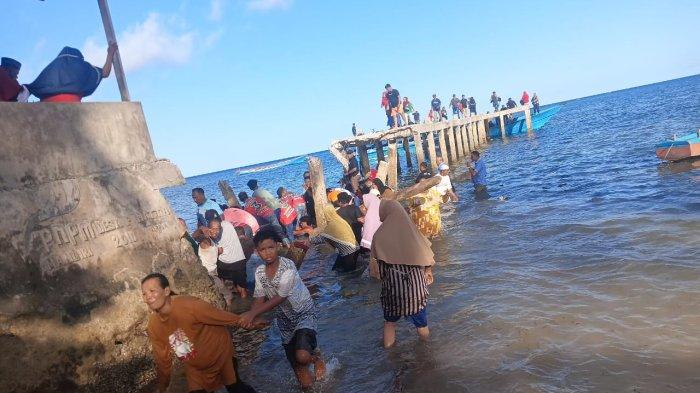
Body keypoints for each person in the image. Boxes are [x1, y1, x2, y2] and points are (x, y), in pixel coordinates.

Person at [141, 273, 264, 393]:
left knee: (234, 387)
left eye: (152, 291)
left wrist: (246, 321)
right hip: (196, 366)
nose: (148, 296)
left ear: (166, 291)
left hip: (221, 353)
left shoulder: (189, 305)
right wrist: (163, 385)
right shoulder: (154, 326)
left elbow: (218, 316)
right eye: (144, 293)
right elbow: (163, 360)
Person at [239, 229, 325, 390]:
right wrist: (252, 319)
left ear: (277, 246)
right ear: (257, 252)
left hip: (303, 313)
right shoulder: (259, 272)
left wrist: (251, 314)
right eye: (262, 250)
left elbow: (281, 296)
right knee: (305, 383)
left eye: (270, 247)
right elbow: (258, 298)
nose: (267, 253)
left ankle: (316, 358)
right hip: (284, 321)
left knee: (302, 355)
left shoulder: (288, 266)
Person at [369, 200, 435, 348]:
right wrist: (428, 271)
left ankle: (390, 354)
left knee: (390, 323)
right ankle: (427, 352)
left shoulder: (379, 236)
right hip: (416, 290)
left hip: (393, 290)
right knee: (421, 324)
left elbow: (376, 271)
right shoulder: (412, 231)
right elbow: (427, 255)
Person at [26, 44, 117, 102]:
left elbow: (31, 87)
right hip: (73, 109)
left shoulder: (49, 70)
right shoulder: (82, 67)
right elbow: (105, 73)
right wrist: (110, 53)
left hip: (47, 111)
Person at [309, 205, 361, 271]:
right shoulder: (339, 220)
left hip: (348, 251)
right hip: (355, 248)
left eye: (324, 214)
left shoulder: (331, 225)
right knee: (337, 268)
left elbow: (320, 239)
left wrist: (310, 237)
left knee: (348, 274)